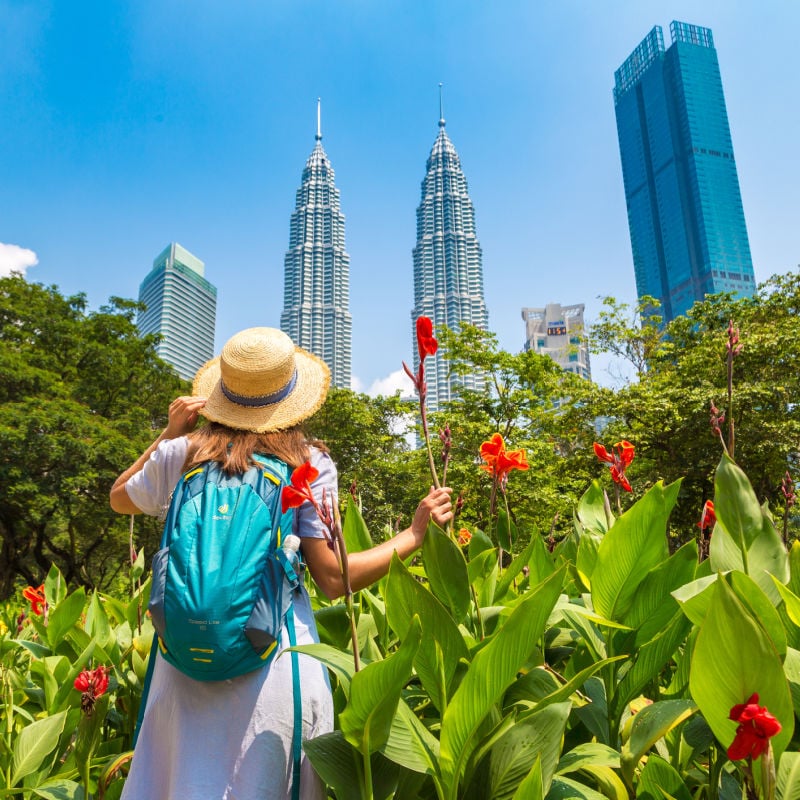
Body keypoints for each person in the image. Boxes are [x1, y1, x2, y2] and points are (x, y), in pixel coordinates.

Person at [110, 327, 453, 800]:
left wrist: (169, 435)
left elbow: (118, 498)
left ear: (220, 395)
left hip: (182, 667)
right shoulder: (307, 462)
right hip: (273, 666)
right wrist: (414, 534)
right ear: (290, 398)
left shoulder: (179, 455)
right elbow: (333, 579)